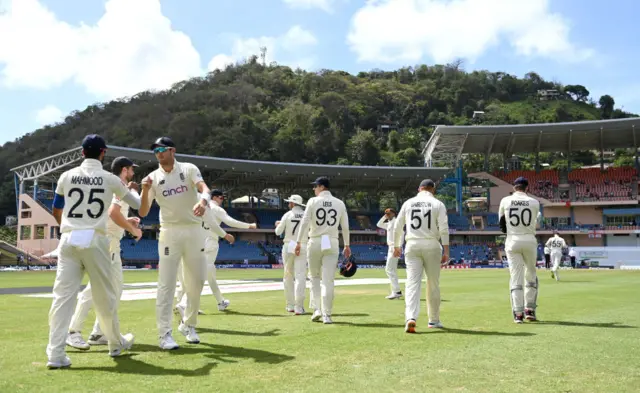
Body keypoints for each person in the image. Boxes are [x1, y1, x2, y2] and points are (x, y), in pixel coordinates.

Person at [46, 135, 139, 368]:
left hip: (68, 239)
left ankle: (55, 355)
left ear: (81, 153)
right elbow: (136, 203)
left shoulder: (66, 176)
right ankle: (115, 344)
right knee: (105, 295)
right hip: (96, 240)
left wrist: (65, 226)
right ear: (103, 152)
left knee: (62, 297)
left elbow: (57, 209)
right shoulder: (109, 178)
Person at [138, 137, 211, 349]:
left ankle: (188, 324)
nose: (158, 153)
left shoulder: (188, 169)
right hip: (170, 232)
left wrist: (204, 201)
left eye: (162, 149)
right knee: (166, 284)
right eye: (155, 151)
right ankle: (164, 334)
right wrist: (144, 190)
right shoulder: (151, 178)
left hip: (193, 230)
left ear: (172, 150)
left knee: (197, 281)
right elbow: (143, 212)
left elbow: (204, 188)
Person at [66, 156, 143, 350]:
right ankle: (75, 331)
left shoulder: (110, 184)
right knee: (104, 290)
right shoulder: (117, 185)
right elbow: (113, 213)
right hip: (107, 244)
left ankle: (98, 332)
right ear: (125, 170)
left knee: (104, 290)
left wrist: (127, 222)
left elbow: (112, 213)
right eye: (131, 170)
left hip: (106, 240)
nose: (133, 173)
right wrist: (133, 230)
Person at [174, 189, 251, 317]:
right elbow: (228, 222)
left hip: (193, 241)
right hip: (209, 243)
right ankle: (184, 304)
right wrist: (249, 226)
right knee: (201, 275)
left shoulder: (196, 204)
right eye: (221, 198)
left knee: (198, 274)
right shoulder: (213, 208)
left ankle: (218, 302)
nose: (222, 200)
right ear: (214, 197)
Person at [393, 179, 449, 334]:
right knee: (433, 283)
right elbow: (444, 229)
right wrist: (446, 250)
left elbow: (398, 226)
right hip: (431, 244)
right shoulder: (438, 204)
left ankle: (410, 317)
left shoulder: (408, 203)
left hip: (412, 244)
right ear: (433, 190)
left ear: (419, 189)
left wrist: (396, 246)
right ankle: (434, 320)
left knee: (412, 283)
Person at [295, 177, 350, 324]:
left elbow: (305, 222)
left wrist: (299, 241)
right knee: (328, 280)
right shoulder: (339, 203)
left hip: (315, 240)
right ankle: (327, 314)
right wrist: (347, 244)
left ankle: (317, 309)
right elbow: (345, 226)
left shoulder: (313, 201)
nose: (314, 189)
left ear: (321, 187)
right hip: (331, 241)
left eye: (315, 187)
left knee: (314, 277)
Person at [498, 177, 541, 323]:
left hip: (512, 240)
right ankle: (530, 310)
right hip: (529, 239)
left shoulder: (505, 200)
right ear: (527, 188)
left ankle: (518, 314)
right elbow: (536, 223)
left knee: (516, 278)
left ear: (514, 187)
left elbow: (502, 224)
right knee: (531, 274)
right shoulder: (535, 202)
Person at [275, 195, 308, 314]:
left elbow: (278, 232)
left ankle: (290, 305)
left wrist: (278, 224)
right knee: (300, 276)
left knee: (288, 276)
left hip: (289, 244)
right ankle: (299, 307)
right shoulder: (306, 215)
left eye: (289, 202)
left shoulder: (287, 215)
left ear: (293, 204)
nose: (288, 204)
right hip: (303, 244)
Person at [376, 208, 401, 299]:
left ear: (394, 213)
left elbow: (400, 234)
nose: (388, 215)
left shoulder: (396, 222)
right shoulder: (390, 223)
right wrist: (384, 217)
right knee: (391, 270)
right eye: (386, 214)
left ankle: (396, 291)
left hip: (394, 247)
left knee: (389, 269)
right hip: (391, 247)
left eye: (389, 214)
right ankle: (396, 291)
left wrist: (398, 247)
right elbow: (378, 224)